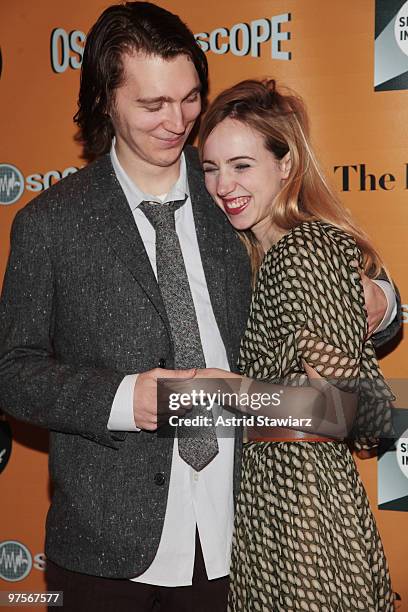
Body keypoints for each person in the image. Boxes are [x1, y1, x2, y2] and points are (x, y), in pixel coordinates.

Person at [0, 2, 398, 611]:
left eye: (188, 99)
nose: (177, 121)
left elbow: (326, 258)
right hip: (106, 555)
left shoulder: (231, 187)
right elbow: (14, 372)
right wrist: (122, 400)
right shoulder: (50, 224)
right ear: (106, 99)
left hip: (248, 539)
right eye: (152, 104)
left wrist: (382, 299)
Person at [199, 78, 397, 611]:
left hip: (305, 508)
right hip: (271, 500)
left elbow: (348, 412)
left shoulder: (303, 249)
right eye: (211, 168)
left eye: (242, 165)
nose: (224, 184)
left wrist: (233, 392)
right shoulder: (256, 256)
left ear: (285, 166)